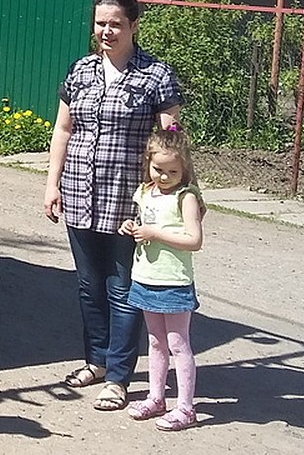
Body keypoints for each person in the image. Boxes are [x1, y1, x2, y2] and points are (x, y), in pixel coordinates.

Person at [44, 0, 183, 413]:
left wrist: (173, 195)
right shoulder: (80, 71)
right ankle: (97, 361)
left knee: (123, 289)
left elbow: (170, 140)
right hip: (79, 195)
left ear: (133, 26)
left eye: (115, 24)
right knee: (89, 287)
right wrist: (52, 185)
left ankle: (120, 378)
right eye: (100, 23)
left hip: (129, 203)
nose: (106, 31)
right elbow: (63, 129)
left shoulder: (155, 76)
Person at [120, 126, 205, 431]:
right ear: (148, 163)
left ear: (184, 168)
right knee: (155, 343)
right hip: (145, 276)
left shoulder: (186, 197)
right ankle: (157, 397)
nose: (164, 177)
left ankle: (186, 406)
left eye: (172, 171)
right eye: (158, 169)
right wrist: (132, 226)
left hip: (174, 281)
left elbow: (194, 240)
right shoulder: (145, 192)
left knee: (178, 344)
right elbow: (146, 223)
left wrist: (155, 234)